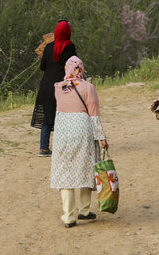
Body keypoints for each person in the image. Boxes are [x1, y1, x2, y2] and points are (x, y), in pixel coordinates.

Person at [50, 56, 108, 228]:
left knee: (65, 171)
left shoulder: (58, 88)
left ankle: (68, 216)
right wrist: (102, 138)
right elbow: (94, 115)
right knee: (85, 167)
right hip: (82, 130)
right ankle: (83, 210)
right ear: (81, 69)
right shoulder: (88, 88)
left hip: (62, 132)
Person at [31, 20, 77, 157]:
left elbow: (42, 67)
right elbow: (73, 67)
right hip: (62, 86)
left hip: (46, 85)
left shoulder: (48, 47)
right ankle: (62, 148)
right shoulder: (70, 47)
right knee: (63, 116)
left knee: (47, 116)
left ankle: (43, 148)